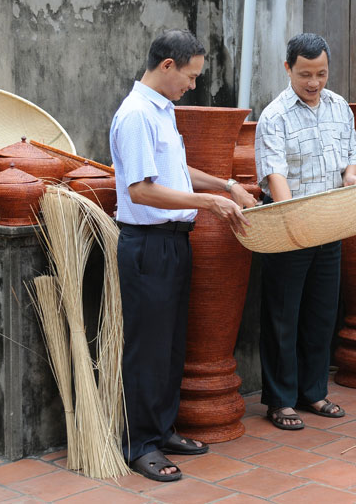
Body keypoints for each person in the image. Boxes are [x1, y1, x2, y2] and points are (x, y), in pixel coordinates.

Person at [109, 29, 257, 482]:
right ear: (167, 65)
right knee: (147, 349)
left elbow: (175, 170)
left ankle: (163, 428)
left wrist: (226, 184)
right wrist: (210, 203)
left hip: (173, 242)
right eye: (190, 76)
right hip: (147, 245)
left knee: (172, 345)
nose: (193, 85)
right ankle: (140, 445)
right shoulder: (136, 115)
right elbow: (141, 188)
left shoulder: (163, 111)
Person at [254, 33, 356, 430]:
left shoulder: (340, 107)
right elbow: (275, 174)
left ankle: (313, 392)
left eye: (320, 73)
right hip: (288, 227)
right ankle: (280, 400)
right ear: (288, 69)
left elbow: (352, 156)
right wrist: (292, 217)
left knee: (322, 313)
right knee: (283, 314)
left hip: (329, 223)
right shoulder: (275, 116)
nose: (314, 82)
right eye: (305, 74)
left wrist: (352, 179)